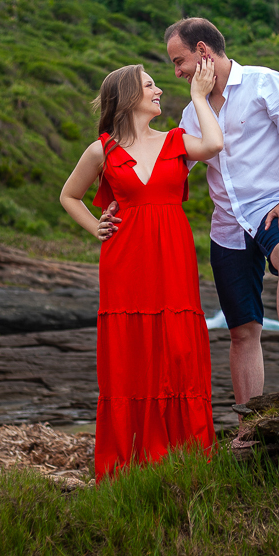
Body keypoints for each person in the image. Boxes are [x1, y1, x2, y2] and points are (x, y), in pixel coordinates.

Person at [146, 17, 279, 419]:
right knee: (242, 331)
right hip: (226, 226)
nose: (176, 73)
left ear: (203, 51)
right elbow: (174, 169)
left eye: (179, 61)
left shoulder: (264, 83)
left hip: (276, 206)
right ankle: (249, 423)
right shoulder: (193, 113)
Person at [59, 58, 223, 478]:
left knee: (178, 345)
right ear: (129, 96)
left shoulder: (177, 140)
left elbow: (215, 144)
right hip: (125, 258)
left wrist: (199, 97)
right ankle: (130, 460)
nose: (159, 91)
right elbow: (69, 196)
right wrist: (97, 226)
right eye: (150, 85)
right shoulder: (102, 149)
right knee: (131, 351)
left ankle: (185, 452)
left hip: (173, 253)